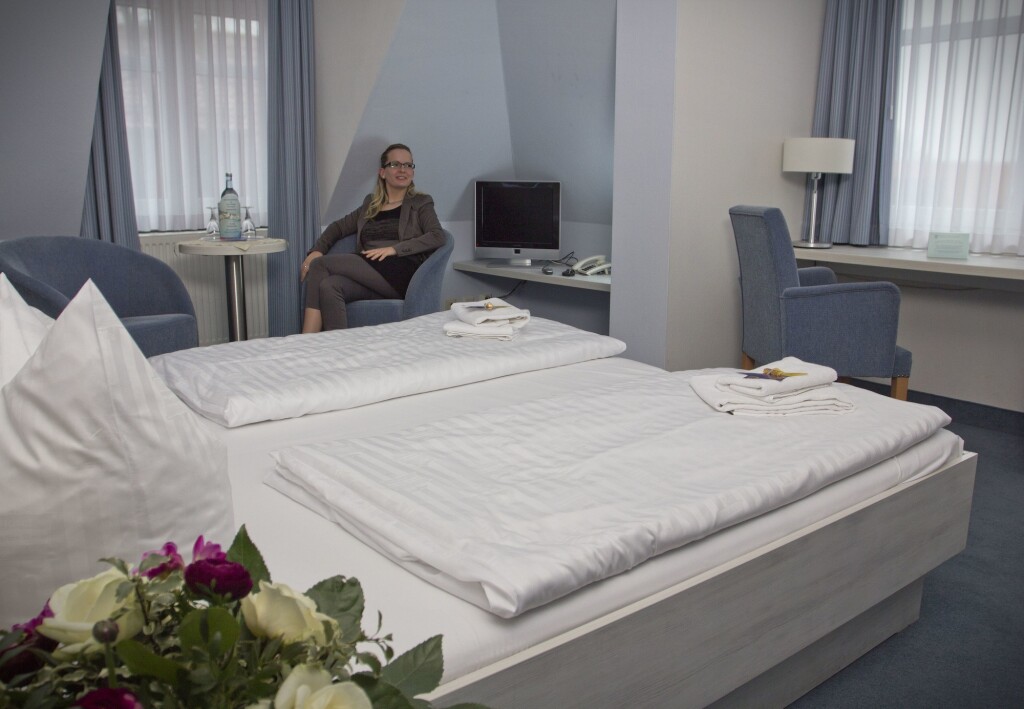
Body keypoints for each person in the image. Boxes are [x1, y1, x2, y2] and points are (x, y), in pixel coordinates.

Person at [300, 143, 444, 332]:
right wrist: (318, 250)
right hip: (370, 270)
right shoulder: (370, 205)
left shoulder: (421, 203)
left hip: (399, 270)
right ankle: (338, 346)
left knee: (319, 265)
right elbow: (338, 228)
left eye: (408, 165)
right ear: (383, 172)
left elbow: (437, 236)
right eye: (395, 164)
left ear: (412, 172)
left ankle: (306, 340)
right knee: (330, 286)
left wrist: (394, 249)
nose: (403, 169)